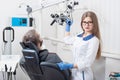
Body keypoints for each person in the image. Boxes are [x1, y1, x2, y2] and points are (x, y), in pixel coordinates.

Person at [57, 11, 101, 80]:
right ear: (81, 23)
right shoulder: (79, 35)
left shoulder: (94, 40)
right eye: (84, 22)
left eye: (89, 22)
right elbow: (67, 40)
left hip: (83, 75)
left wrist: (70, 65)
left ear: (94, 24)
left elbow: (87, 63)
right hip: (74, 72)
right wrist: (68, 26)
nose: (86, 25)